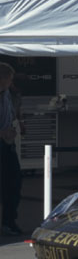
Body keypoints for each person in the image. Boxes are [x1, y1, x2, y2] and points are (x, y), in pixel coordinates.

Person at [0, 63, 23, 237]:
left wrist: (16, 124)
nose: (11, 82)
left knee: (14, 181)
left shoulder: (8, 93)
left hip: (7, 144)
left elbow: (12, 111)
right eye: (10, 78)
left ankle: (9, 221)